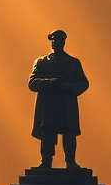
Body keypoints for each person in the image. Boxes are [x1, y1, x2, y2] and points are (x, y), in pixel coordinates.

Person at [28, 29, 90, 170]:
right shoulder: (41, 62)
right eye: (54, 39)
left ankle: (70, 161)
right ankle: (46, 161)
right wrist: (50, 82)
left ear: (64, 42)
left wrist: (69, 86)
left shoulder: (73, 63)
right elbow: (32, 83)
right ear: (51, 41)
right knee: (47, 131)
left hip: (66, 103)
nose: (56, 42)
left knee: (69, 132)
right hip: (48, 104)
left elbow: (83, 83)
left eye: (59, 40)